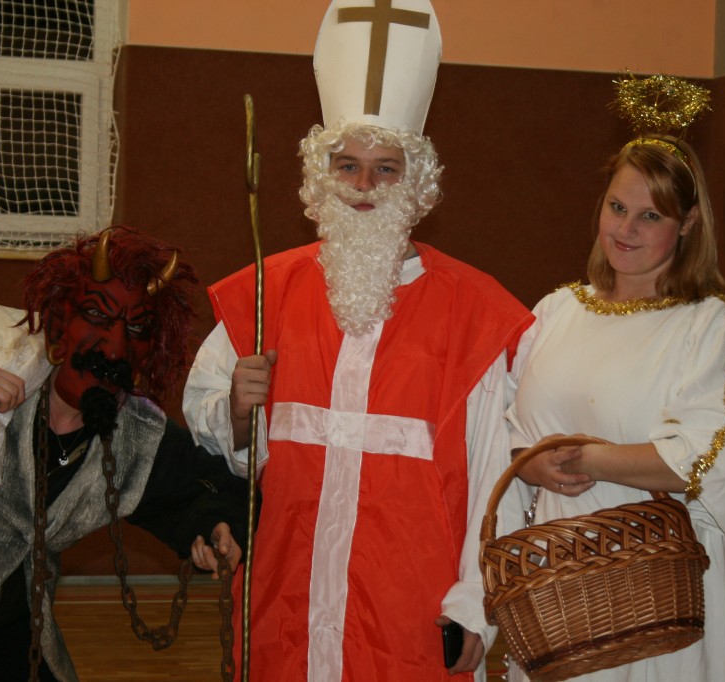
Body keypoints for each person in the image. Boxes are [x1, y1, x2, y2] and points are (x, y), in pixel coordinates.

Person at [183, 1, 532, 680]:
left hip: (409, 608)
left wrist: (475, 601)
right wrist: (237, 411)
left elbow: (497, 477)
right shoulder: (266, 293)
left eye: (386, 168)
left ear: (417, 183)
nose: (365, 186)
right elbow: (210, 429)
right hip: (286, 599)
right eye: (347, 165)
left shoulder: (473, 311)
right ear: (321, 176)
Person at [0, 226, 251, 682]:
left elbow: (206, 489)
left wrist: (214, 525)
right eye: (97, 315)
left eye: (136, 329)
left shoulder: (136, 436)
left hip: (5, 631)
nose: (114, 346)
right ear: (60, 325)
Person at [504, 87, 725, 681]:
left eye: (651, 216)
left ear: (688, 224)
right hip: (558, 577)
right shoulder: (555, 312)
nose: (626, 229)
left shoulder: (710, 323)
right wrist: (529, 463)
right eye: (617, 207)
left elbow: (710, 459)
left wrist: (585, 458)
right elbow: (500, 429)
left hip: (665, 583)